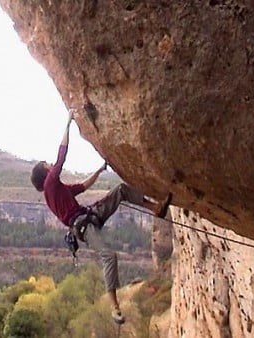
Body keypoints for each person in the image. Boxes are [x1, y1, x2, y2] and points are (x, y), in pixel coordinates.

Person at [30, 110, 172, 325]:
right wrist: (67, 124)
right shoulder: (50, 185)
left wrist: (100, 169)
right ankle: (114, 307)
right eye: (47, 166)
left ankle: (156, 208)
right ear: (45, 174)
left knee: (121, 190)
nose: (51, 165)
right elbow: (61, 156)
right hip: (84, 227)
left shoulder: (58, 189)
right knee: (109, 255)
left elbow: (83, 186)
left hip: (90, 216)